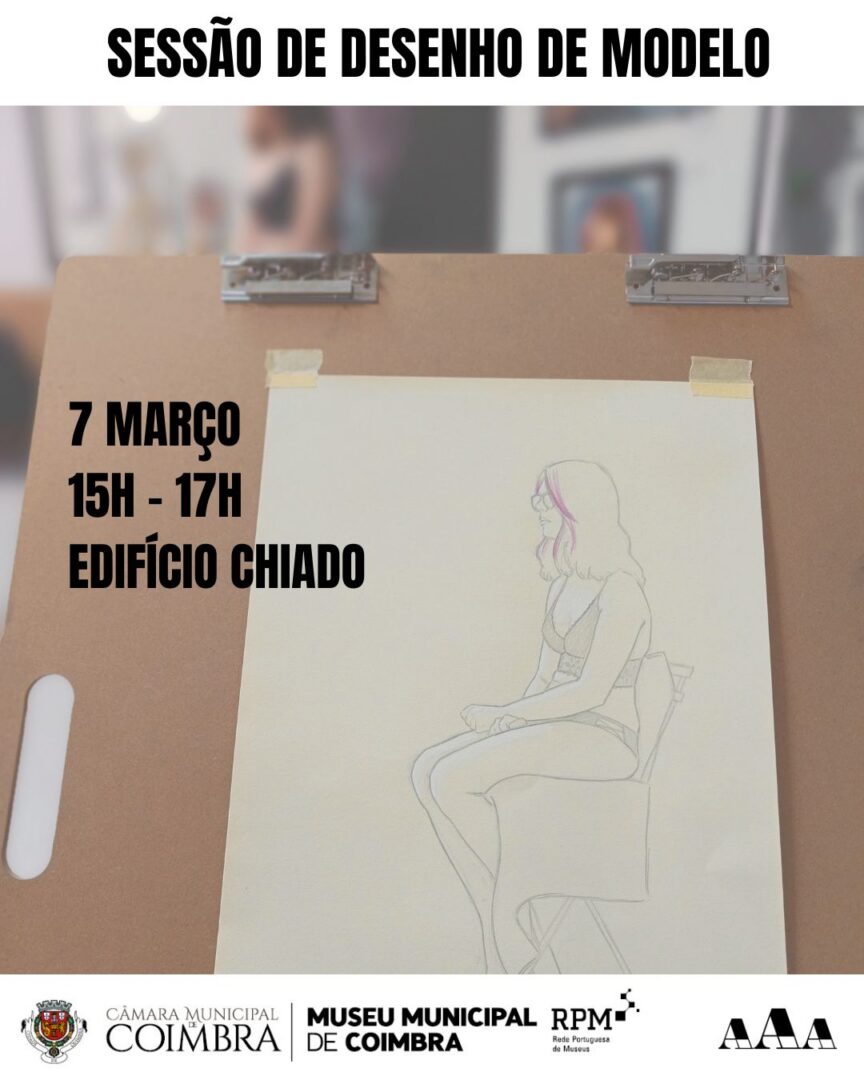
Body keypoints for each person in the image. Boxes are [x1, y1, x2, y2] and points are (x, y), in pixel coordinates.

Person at [412, 460, 652, 973]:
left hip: (605, 739)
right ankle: (501, 915)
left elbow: (591, 690)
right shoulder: (562, 585)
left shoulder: (621, 590)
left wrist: (509, 714)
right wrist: (512, 721)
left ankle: (509, 913)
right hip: (557, 728)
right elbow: (543, 680)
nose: (538, 507)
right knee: (425, 769)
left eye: (550, 498)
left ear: (580, 509)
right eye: (538, 497)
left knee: (451, 777)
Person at [237, 106, 339, 253]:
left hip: (305, 257)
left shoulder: (312, 151)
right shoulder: (260, 160)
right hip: (267, 256)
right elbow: (250, 231)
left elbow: (310, 232)